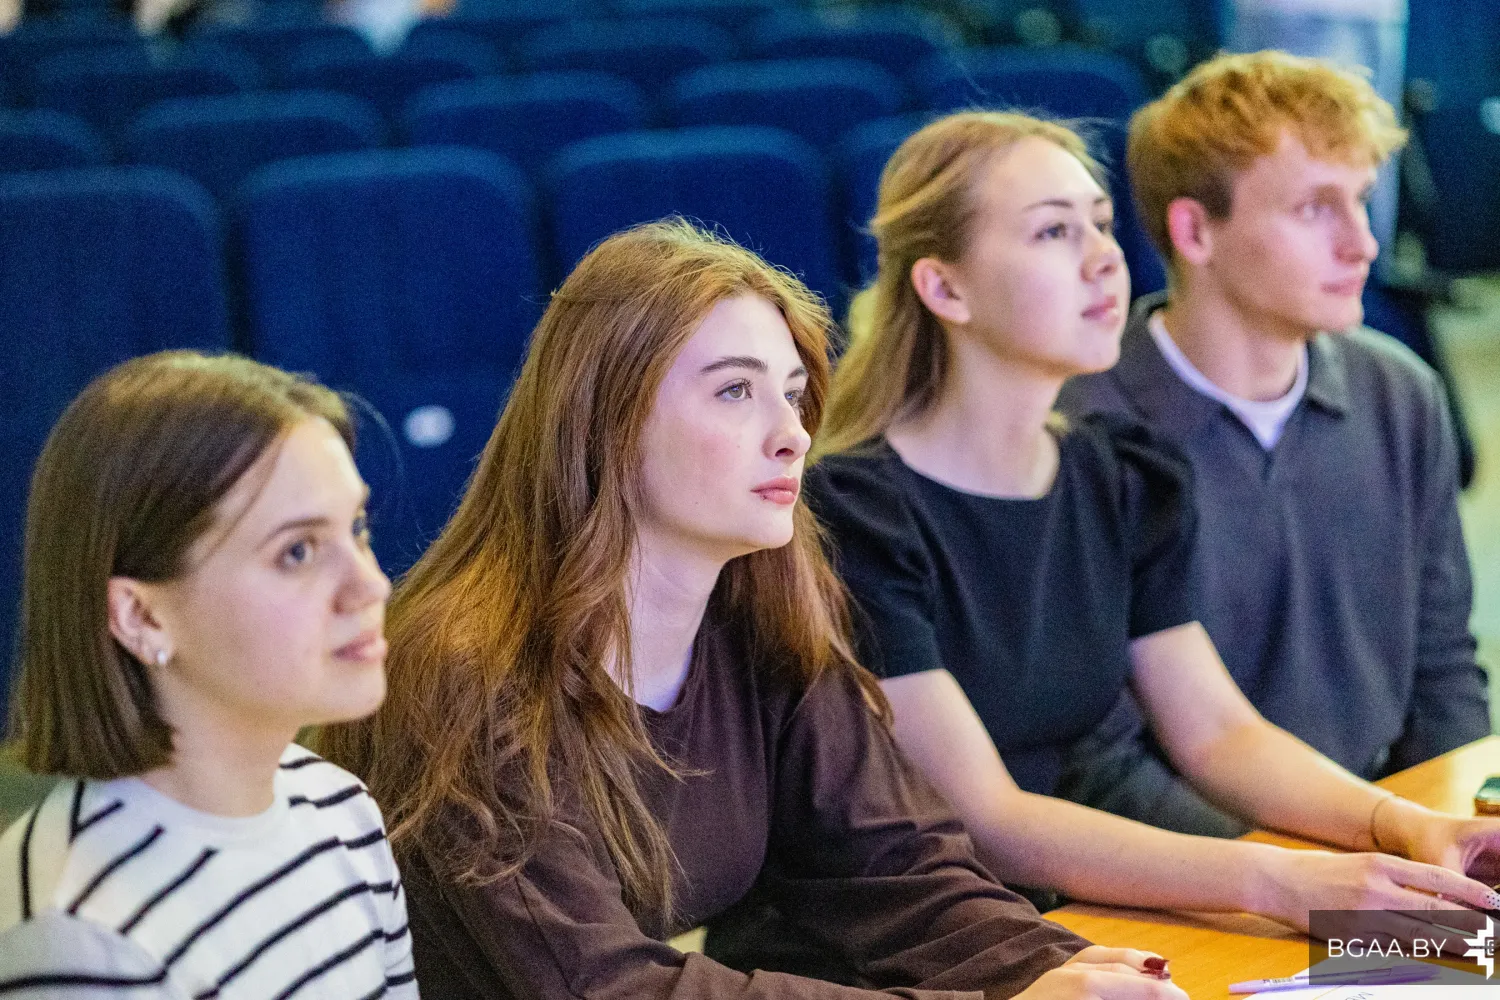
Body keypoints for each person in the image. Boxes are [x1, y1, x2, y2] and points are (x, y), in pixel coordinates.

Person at [319, 219, 1182, 1000]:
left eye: (794, 393)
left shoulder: (764, 620)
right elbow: (607, 989)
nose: (793, 433)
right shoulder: (462, 674)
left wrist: (1064, 968)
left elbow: (897, 867)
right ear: (607, 420)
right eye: (736, 391)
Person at [806, 109, 1500, 933]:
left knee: (1460, 954)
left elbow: (1218, 734)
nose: (1104, 258)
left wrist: (1404, 826)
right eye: (1054, 231)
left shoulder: (1122, 472)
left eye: (1102, 224)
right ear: (944, 288)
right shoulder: (855, 513)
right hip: (908, 936)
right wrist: (1285, 880)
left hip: (1080, 909)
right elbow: (987, 818)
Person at [1057, 50, 1490, 837]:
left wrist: (1455, 837)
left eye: (1361, 201)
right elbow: (1099, 755)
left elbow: (1443, 672)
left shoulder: (1399, 391)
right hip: (1192, 865)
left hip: (1391, 834)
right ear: (1195, 230)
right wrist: (1310, 876)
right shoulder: (1079, 424)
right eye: (1315, 209)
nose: (1362, 243)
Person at [0, 352, 416, 998]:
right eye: (298, 551)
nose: (371, 585)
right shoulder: (77, 935)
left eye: (356, 528)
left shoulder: (342, 811)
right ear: (142, 616)